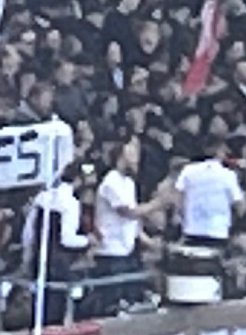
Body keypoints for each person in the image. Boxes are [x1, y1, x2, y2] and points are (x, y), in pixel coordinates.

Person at [90, 138, 160, 314]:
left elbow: (133, 223)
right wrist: (158, 204)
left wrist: (149, 242)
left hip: (128, 250)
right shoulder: (111, 181)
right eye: (133, 152)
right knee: (112, 303)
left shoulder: (129, 183)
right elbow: (128, 212)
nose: (136, 157)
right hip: (110, 252)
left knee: (131, 299)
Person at [22, 169, 90, 323]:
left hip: (38, 258)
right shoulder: (70, 203)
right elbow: (66, 238)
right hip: (58, 262)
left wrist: (27, 257)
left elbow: (28, 234)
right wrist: (87, 241)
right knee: (55, 306)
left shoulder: (41, 198)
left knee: (39, 306)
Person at [170, 137, 246, 248]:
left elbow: (177, 198)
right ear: (218, 151)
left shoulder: (188, 171)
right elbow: (241, 207)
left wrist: (178, 216)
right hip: (218, 233)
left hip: (192, 231)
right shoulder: (228, 175)